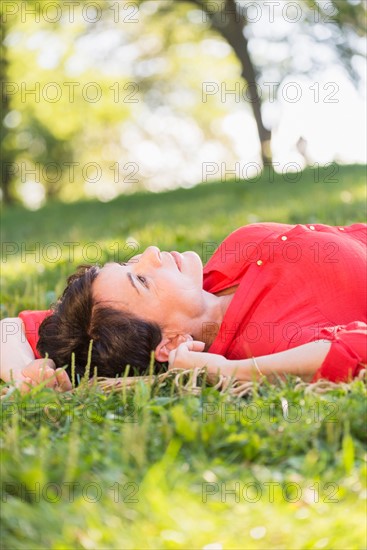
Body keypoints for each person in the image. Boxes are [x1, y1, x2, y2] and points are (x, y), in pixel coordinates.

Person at [1, 222, 366, 392]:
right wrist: (229, 371)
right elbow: (357, 352)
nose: (150, 254)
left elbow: (8, 329)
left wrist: (24, 378)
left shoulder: (215, 275)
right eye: (141, 280)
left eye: (130, 265)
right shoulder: (272, 341)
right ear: (169, 344)